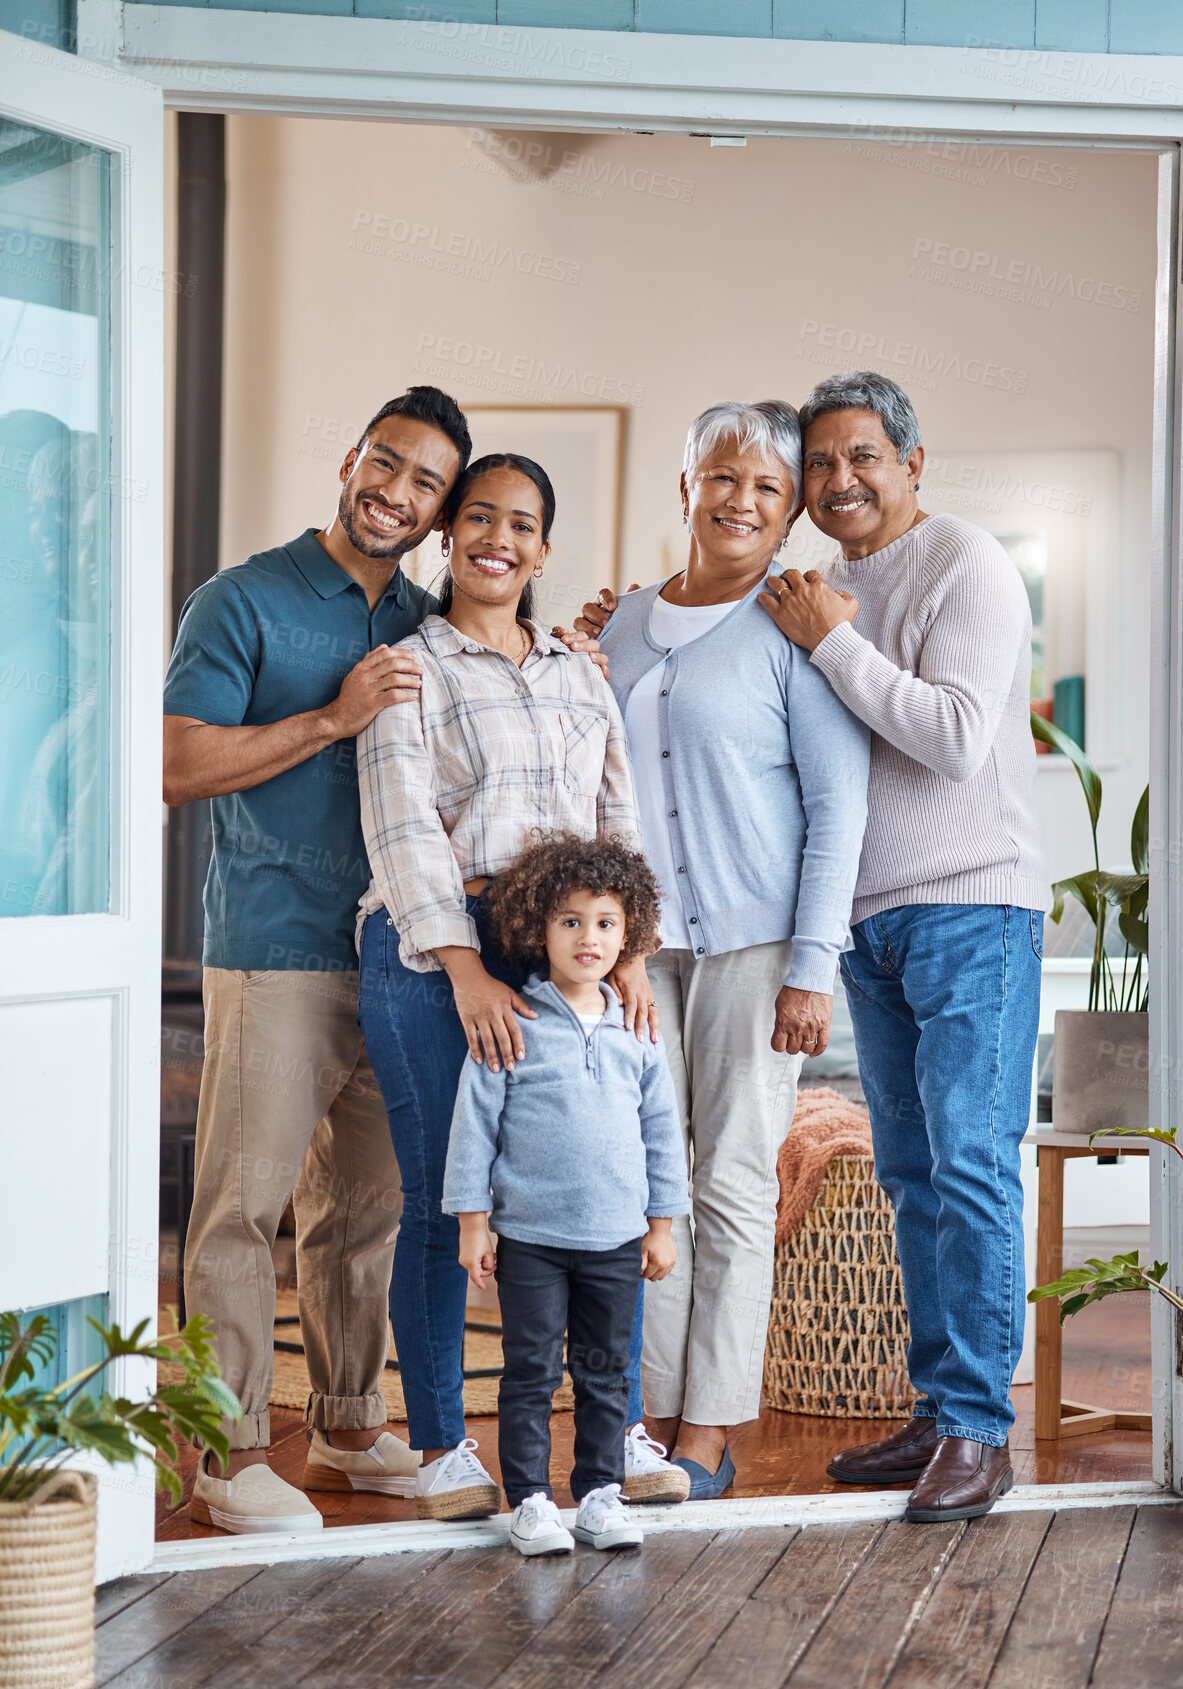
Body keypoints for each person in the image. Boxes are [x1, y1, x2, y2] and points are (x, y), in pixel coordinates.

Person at [355, 451, 686, 1520]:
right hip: (438, 949)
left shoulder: (579, 668)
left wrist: (627, 951)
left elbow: (616, 816)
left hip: (577, 950)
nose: (500, 539)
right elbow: (403, 829)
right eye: (481, 519)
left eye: (524, 525)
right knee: (440, 1197)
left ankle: (617, 1427)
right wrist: (463, 970)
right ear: (450, 534)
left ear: (544, 548)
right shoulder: (413, 665)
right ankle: (444, 1444)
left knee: (601, 1189)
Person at [164, 385, 471, 1534]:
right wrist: (331, 720)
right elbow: (177, 763)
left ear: (443, 511)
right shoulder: (242, 600)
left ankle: (346, 1426)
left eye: (424, 481)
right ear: (349, 459)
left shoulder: (433, 624)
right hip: (276, 947)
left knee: (363, 1210)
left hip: (394, 958)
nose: (394, 491)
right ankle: (226, 1447)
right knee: (243, 1208)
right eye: (383, 463)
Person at [758, 371, 1048, 1523]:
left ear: (912, 463)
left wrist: (833, 642)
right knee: (912, 1174)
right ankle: (937, 1413)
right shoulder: (816, 590)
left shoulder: (965, 562)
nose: (839, 481)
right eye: (819, 463)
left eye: (862, 456)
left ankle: (980, 1429)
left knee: (971, 1165)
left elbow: (955, 739)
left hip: (974, 910)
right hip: (869, 925)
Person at [579, 401, 870, 1499]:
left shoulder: (795, 628)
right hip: (637, 952)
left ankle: (708, 1431)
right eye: (722, 478)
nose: (741, 501)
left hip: (755, 948)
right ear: (685, 486)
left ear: (792, 507)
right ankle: (646, 1424)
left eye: (767, 487)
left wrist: (812, 965)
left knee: (734, 1181)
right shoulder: (621, 624)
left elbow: (838, 812)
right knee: (650, 1187)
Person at [443, 832, 690, 1556]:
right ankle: (528, 1500)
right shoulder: (513, 1024)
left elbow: (661, 1136)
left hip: (616, 1240)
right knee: (528, 1371)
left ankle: (600, 1494)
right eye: (571, 921)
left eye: (606, 922)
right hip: (530, 1240)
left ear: (630, 933)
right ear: (537, 929)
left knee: (605, 1371)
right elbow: (472, 1129)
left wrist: (661, 1226)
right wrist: (472, 1225)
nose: (589, 937)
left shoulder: (638, 1031)